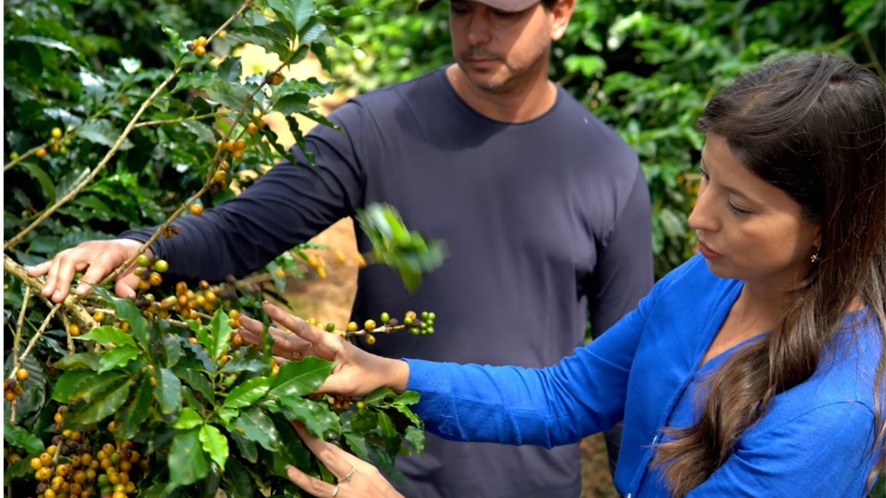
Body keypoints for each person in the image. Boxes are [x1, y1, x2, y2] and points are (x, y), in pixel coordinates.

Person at [26, 0, 654, 496]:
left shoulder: (608, 168)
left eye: (503, 12)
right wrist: (137, 247)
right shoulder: (377, 128)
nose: (476, 31)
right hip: (377, 472)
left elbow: (633, 371)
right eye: (462, 8)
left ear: (561, 12)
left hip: (531, 482)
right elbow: (240, 231)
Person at [237, 52, 886, 498]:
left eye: (738, 207)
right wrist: (384, 373)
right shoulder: (708, 281)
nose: (698, 216)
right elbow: (565, 397)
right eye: (706, 178)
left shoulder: (829, 415)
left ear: (830, 223)